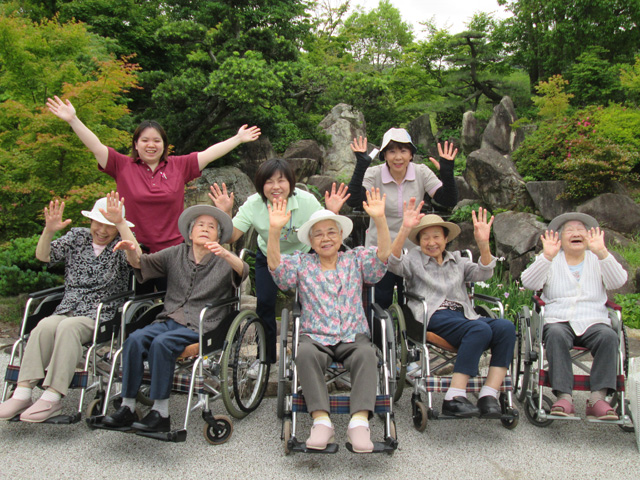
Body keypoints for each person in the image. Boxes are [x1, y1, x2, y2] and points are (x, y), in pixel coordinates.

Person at [46, 95, 259, 291]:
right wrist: (73, 119)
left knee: (175, 303)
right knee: (134, 311)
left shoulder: (178, 166)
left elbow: (208, 154)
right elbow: (96, 146)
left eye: (157, 140)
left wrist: (238, 138)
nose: (151, 145)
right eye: (145, 140)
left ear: (164, 145)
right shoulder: (122, 165)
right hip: (133, 251)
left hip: (173, 253)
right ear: (136, 144)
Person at [102, 204, 248, 433]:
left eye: (211, 227)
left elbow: (243, 270)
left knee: (162, 344)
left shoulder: (224, 260)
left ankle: (161, 413)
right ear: (190, 233)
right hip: (168, 319)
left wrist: (226, 253)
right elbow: (140, 262)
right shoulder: (176, 253)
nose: (205, 229)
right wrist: (124, 231)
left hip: (202, 324)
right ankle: (127, 406)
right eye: (200, 225)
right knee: (134, 339)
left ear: (218, 236)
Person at [267, 187, 391, 453]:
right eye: (318, 234)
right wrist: (274, 231)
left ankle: (359, 423)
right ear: (311, 242)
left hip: (353, 336)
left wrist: (380, 220)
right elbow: (278, 272)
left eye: (331, 232)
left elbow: (381, 260)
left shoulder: (355, 259)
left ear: (341, 236)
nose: (325, 239)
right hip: (316, 336)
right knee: (304, 353)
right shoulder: (301, 263)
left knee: (367, 355)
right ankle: (321, 421)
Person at [0, 193, 133, 422]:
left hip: (100, 313)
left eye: (109, 226)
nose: (102, 231)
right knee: (44, 325)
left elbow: (138, 261)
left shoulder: (122, 244)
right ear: (90, 222)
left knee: (68, 328)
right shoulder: (77, 237)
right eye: (98, 224)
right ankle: (22, 392)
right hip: (68, 306)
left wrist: (122, 226)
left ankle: (52, 397)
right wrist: (49, 230)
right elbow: (44, 256)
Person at [209, 158, 350, 364]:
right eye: (269, 182)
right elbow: (231, 236)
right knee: (264, 304)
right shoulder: (254, 204)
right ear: (260, 184)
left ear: (291, 183)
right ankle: (265, 359)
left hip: (304, 257)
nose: (276, 187)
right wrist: (225, 212)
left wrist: (333, 211)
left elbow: (327, 232)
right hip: (268, 255)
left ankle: (313, 354)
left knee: (310, 303)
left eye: (281, 181)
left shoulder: (306, 201)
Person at [387, 203, 515, 418]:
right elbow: (393, 263)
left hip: (463, 314)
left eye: (436, 236)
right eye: (425, 237)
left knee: (506, 327)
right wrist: (404, 230)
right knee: (478, 330)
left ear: (446, 239)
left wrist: (483, 244)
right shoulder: (413, 260)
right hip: (432, 315)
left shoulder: (458, 261)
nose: (431, 242)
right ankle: (453, 397)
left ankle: (488, 394)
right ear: (418, 241)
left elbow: (484, 273)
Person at [520, 212, 628, 420]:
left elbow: (618, 282)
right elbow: (529, 283)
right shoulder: (552, 260)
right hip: (558, 320)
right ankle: (564, 396)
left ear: (589, 237)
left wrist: (603, 252)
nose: (576, 233)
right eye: (570, 230)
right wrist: (547, 256)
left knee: (609, 336)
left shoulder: (598, 259)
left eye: (581, 230)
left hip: (594, 320)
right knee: (557, 334)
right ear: (560, 237)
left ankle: (598, 398)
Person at [347, 128, 459, 309]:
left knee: (412, 301)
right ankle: (379, 336)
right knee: (378, 301)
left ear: (411, 155)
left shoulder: (421, 172)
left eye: (403, 151)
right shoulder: (375, 174)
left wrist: (447, 171)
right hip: (380, 249)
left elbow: (447, 200)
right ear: (384, 155)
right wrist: (361, 165)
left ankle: (408, 337)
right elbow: (353, 199)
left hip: (412, 251)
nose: (398, 157)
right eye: (392, 151)